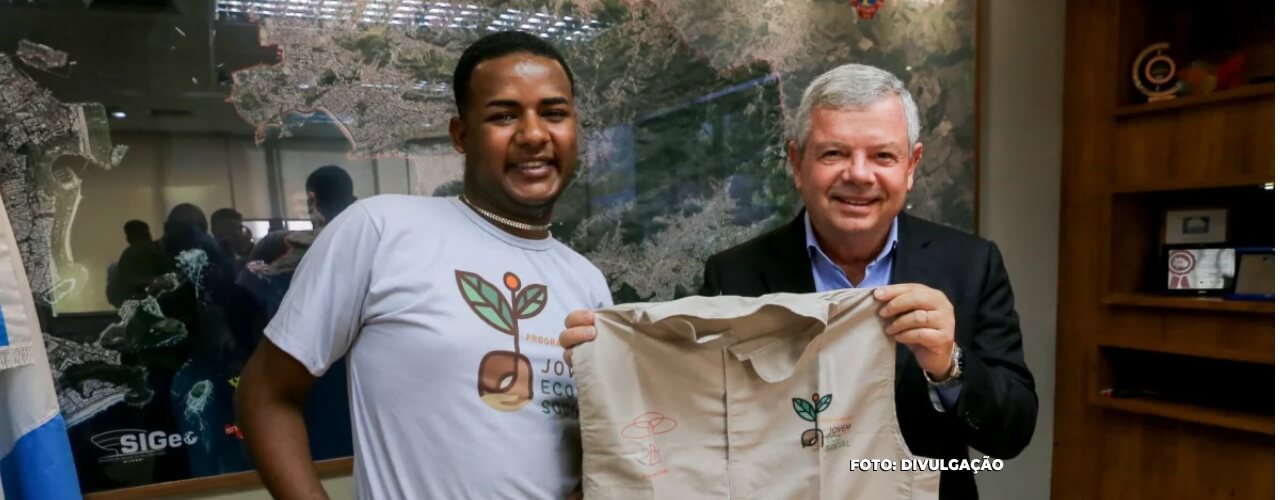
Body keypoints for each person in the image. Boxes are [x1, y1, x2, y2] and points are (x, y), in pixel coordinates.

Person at [559, 64, 1037, 500]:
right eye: (834, 153)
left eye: (883, 156)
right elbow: (696, 413)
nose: (858, 174)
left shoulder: (971, 265)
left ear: (911, 166)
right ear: (796, 162)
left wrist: (948, 365)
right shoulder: (735, 274)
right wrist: (612, 356)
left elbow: (1012, 433)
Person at [235, 31, 612, 499]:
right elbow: (265, 395)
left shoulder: (586, 282)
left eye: (554, 113)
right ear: (461, 135)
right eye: (503, 115)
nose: (534, 134)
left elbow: (595, 449)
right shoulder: (381, 230)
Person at [109, 219, 163, 307]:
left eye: (146, 235)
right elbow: (128, 280)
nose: (147, 238)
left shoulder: (157, 251)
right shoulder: (130, 255)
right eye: (141, 235)